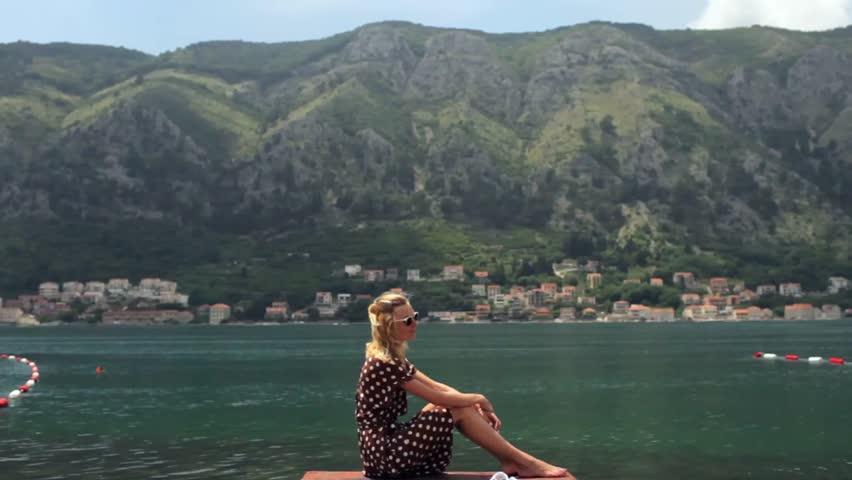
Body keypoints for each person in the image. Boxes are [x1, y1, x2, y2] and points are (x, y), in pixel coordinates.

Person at [355, 292, 575, 479]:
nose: (415, 323)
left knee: (458, 405)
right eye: (408, 321)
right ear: (387, 327)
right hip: (383, 455)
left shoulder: (394, 359)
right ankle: (522, 462)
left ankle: (514, 462)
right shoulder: (382, 363)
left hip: (388, 450)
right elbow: (439, 399)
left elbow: (439, 388)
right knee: (452, 406)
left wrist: (472, 407)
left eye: (415, 317)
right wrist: (480, 399)